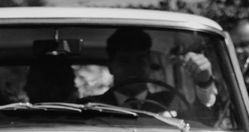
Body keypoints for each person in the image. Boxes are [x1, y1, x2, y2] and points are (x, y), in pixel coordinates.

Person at [82, 27, 218, 123]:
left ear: (149, 64)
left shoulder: (172, 102)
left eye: (140, 60)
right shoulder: (89, 107)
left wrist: (204, 81)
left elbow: (205, 122)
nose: (133, 68)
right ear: (111, 66)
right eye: (125, 61)